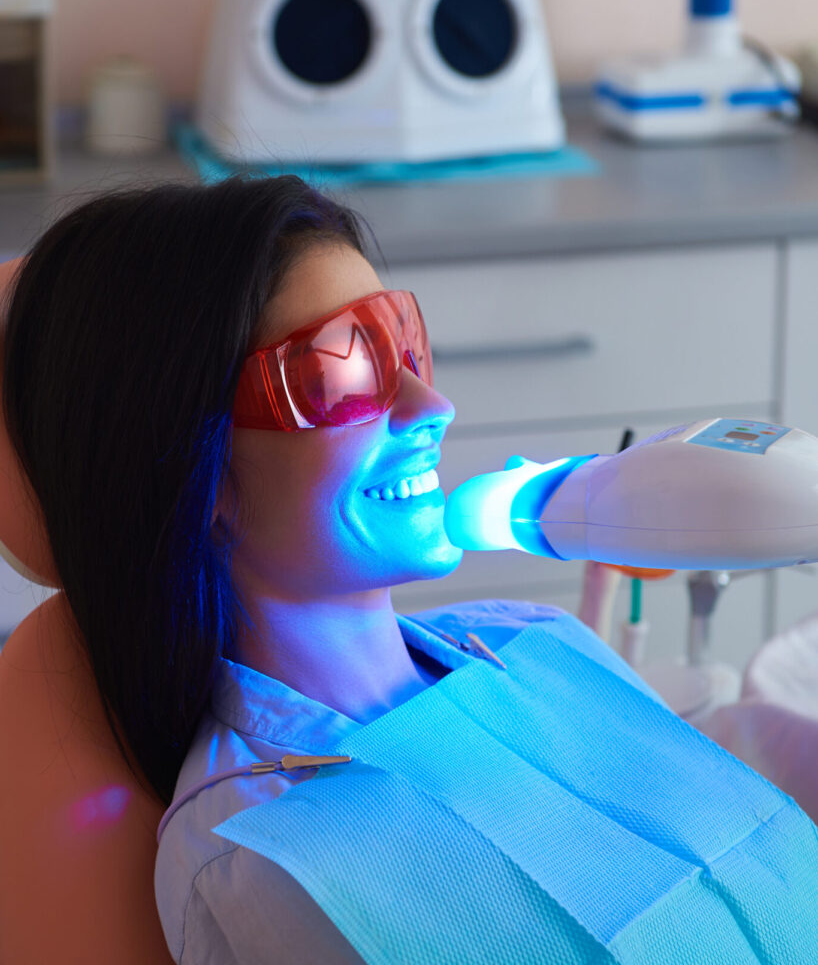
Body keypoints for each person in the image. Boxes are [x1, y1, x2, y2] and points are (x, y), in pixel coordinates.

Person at [4, 177, 818, 965]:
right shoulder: (263, 856)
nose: (431, 406)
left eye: (406, 341)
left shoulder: (535, 637)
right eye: (342, 370)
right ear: (196, 470)